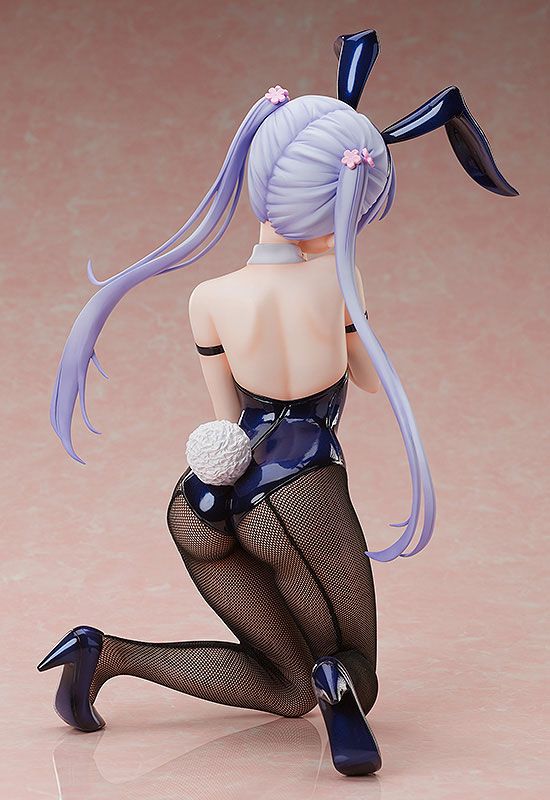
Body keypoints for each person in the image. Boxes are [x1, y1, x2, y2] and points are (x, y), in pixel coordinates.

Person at [37, 31, 518, 777]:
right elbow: (365, 379)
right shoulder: (336, 287)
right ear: (343, 202)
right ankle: (338, 685)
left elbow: (228, 416)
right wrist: (348, 301)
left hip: (204, 500)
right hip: (301, 492)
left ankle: (105, 655)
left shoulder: (209, 297)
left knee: (286, 687)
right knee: (355, 670)